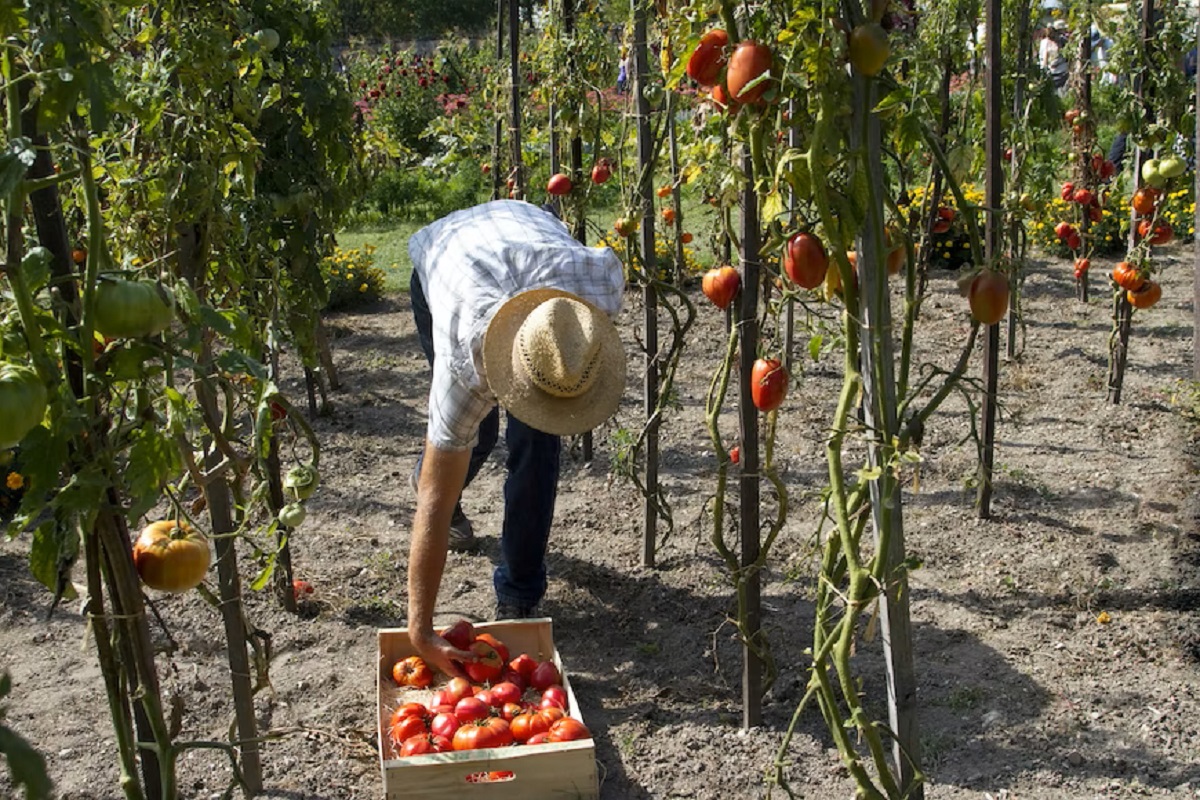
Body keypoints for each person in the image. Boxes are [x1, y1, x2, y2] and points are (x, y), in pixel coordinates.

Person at [405, 199, 626, 678]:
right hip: (447, 258)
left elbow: (565, 358)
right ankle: (437, 467)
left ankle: (519, 593)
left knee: (538, 447)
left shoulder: (591, 301)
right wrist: (420, 632)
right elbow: (432, 504)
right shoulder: (465, 363)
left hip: (522, 229)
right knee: (472, 438)